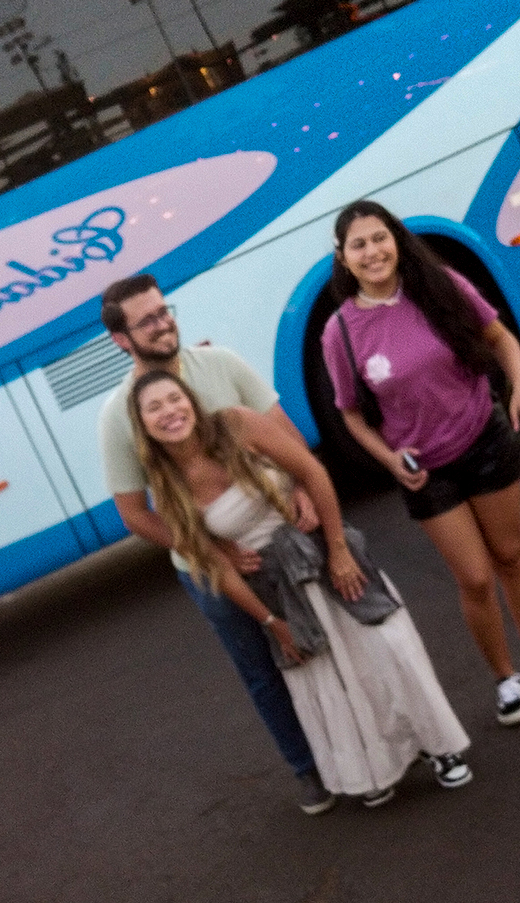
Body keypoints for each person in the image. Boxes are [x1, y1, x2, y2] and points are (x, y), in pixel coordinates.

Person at [129, 370, 473, 806]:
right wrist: (272, 623)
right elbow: (215, 567)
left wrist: (338, 549)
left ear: (191, 401)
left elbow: (312, 471)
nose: (169, 412)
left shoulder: (236, 423)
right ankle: (377, 767)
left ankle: (438, 748)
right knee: (333, 681)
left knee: (386, 648)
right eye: (154, 408)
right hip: (277, 591)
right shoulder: (167, 485)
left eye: (174, 399)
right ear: (142, 426)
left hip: (322, 551)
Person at [320, 199, 520, 727]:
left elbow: (500, 338)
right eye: (359, 245)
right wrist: (391, 461)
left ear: (396, 239)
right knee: (475, 578)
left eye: (380, 238)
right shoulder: (340, 333)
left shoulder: (441, 286)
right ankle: (506, 679)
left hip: (483, 438)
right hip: (425, 470)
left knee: (511, 557)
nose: (372, 252)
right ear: (343, 258)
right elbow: (351, 416)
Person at [97, 273, 332, 814]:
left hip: (282, 540)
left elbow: (285, 436)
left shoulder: (221, 365)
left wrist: (304, 490)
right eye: (147, 321)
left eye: (164, 311)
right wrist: (211, 549)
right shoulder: (118, 416)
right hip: (211, 570)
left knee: (328, 642)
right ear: (121, 340)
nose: (163, 325)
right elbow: (134, 514)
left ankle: (359, 749)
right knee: (265, 672)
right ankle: (310, 770)